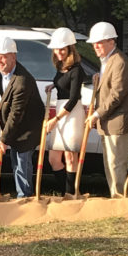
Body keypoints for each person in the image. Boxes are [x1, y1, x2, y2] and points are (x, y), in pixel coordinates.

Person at [85, 22, 128, 198]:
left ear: (111, 42)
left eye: (100, 43)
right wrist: (98, 80)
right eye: (94, 43)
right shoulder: (106, 61)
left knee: (116, 163)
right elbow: (107, 87)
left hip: (120, 121)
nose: (96, 46)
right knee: (109, 162)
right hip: (109, 121)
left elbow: (117, 95)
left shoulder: (120, 62)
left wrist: (96, 114)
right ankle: (115, 196)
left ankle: (119, 199)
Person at [0, 37, 44, 198]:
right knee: (17, 164)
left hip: (26, 130)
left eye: (3, 56)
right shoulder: (4, 75)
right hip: (15, 129)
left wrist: (3, 139)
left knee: (22, 164)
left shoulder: (22, 81)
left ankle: (25, 198)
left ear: (13, 57)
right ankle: (22, 194)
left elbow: (16, 113)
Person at [44, 27, 85, 195]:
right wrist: (54, 85)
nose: (59, 52)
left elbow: (74, 98)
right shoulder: (60, 66)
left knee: (69, 156)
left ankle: (71, 193)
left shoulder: (77, 69)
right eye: (57, 49)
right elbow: (64, 83)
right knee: (53, 159)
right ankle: (64, 191)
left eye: (62, 49)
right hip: (62, 110)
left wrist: (55, 119)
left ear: (69, 48)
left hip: (72, 113)